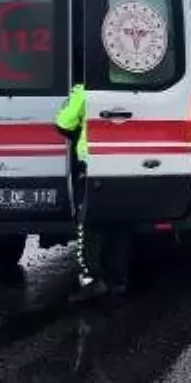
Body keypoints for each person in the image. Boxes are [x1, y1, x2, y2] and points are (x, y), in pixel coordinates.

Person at [55, 82, 132, 302]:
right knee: (120, 224)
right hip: (126, 165)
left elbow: (63, 123)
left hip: (93, 167)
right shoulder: (132, 86)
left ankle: (93, 280)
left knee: (89, 225)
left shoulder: (83, 91)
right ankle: (119, 280)